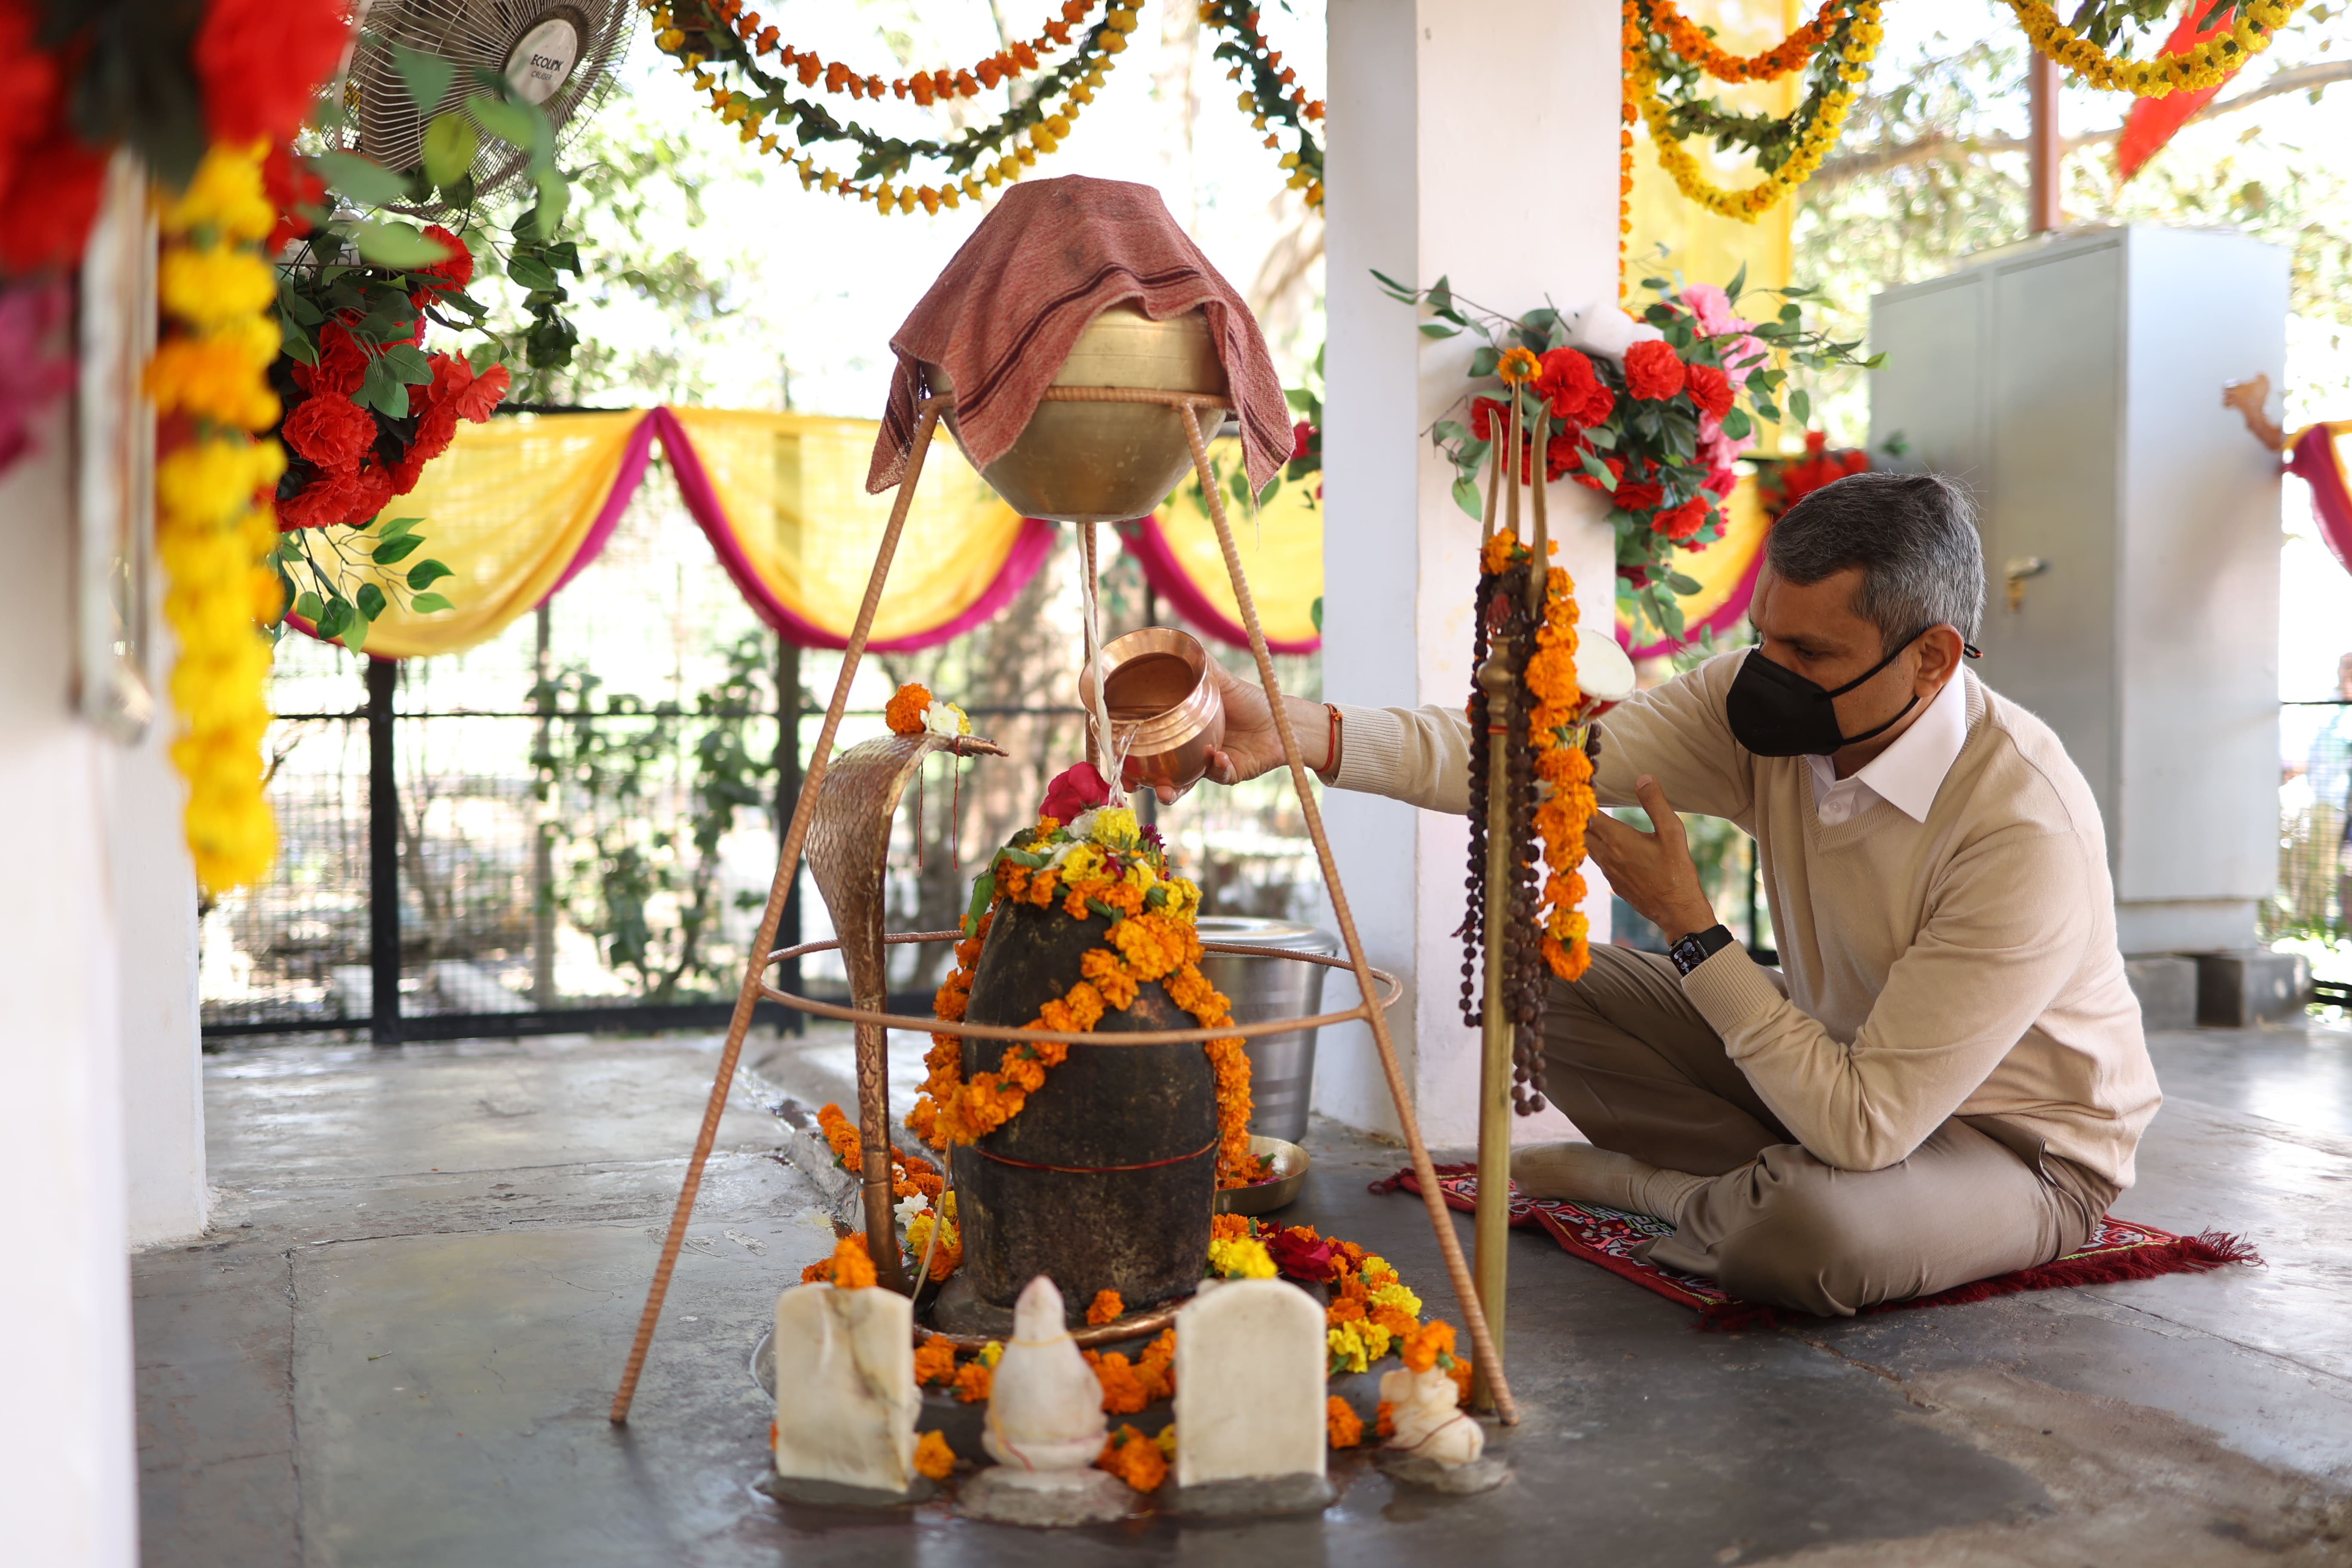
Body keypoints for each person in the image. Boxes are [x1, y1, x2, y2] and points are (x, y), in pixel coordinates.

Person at [1173, 472, 2161, 1317]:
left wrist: (1694, 931)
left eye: (1810, 657)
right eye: (1765, 636)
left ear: (1933, 659)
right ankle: (1750, 1182)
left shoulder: (2019, 825)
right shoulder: (1761, 706)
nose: (1769, 674)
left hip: (2014, 1147)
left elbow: (1869, 1126)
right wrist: (1308, 729)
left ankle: (1650, 1189)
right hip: (1833, 1072)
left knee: (1810, 1238)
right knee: (1534, 978)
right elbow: (1530, 754)